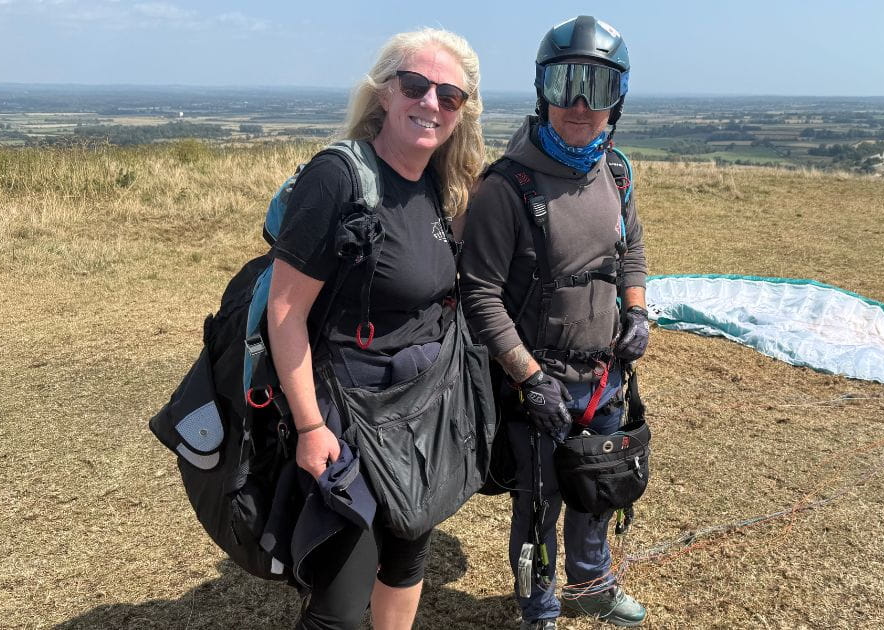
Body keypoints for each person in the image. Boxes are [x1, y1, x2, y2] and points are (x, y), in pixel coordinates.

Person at [266, 28, 484, 630]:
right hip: (347, 414)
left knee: (407, 554)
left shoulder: (443, 184)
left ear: (461, 112)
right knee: (340, 602)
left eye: (449, 95)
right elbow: (284, 311)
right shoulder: (338, 178)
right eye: (415, 85)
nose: (431, 103)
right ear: (385, 93)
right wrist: (310, 427)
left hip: (420, 413)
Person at [460, 15, 649, 630]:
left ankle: (592, 586)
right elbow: (480, 294)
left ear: (618, 98)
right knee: (539, 505)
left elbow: (632, 252)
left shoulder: (615, 173)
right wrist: (529, 378)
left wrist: (637, 312)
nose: (580, 104)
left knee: (599, 485)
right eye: (566, 82)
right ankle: (539, 611)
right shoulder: (506, 187)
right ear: (542, 89)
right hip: (537, 381)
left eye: (598, 86)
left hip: (604, 376)